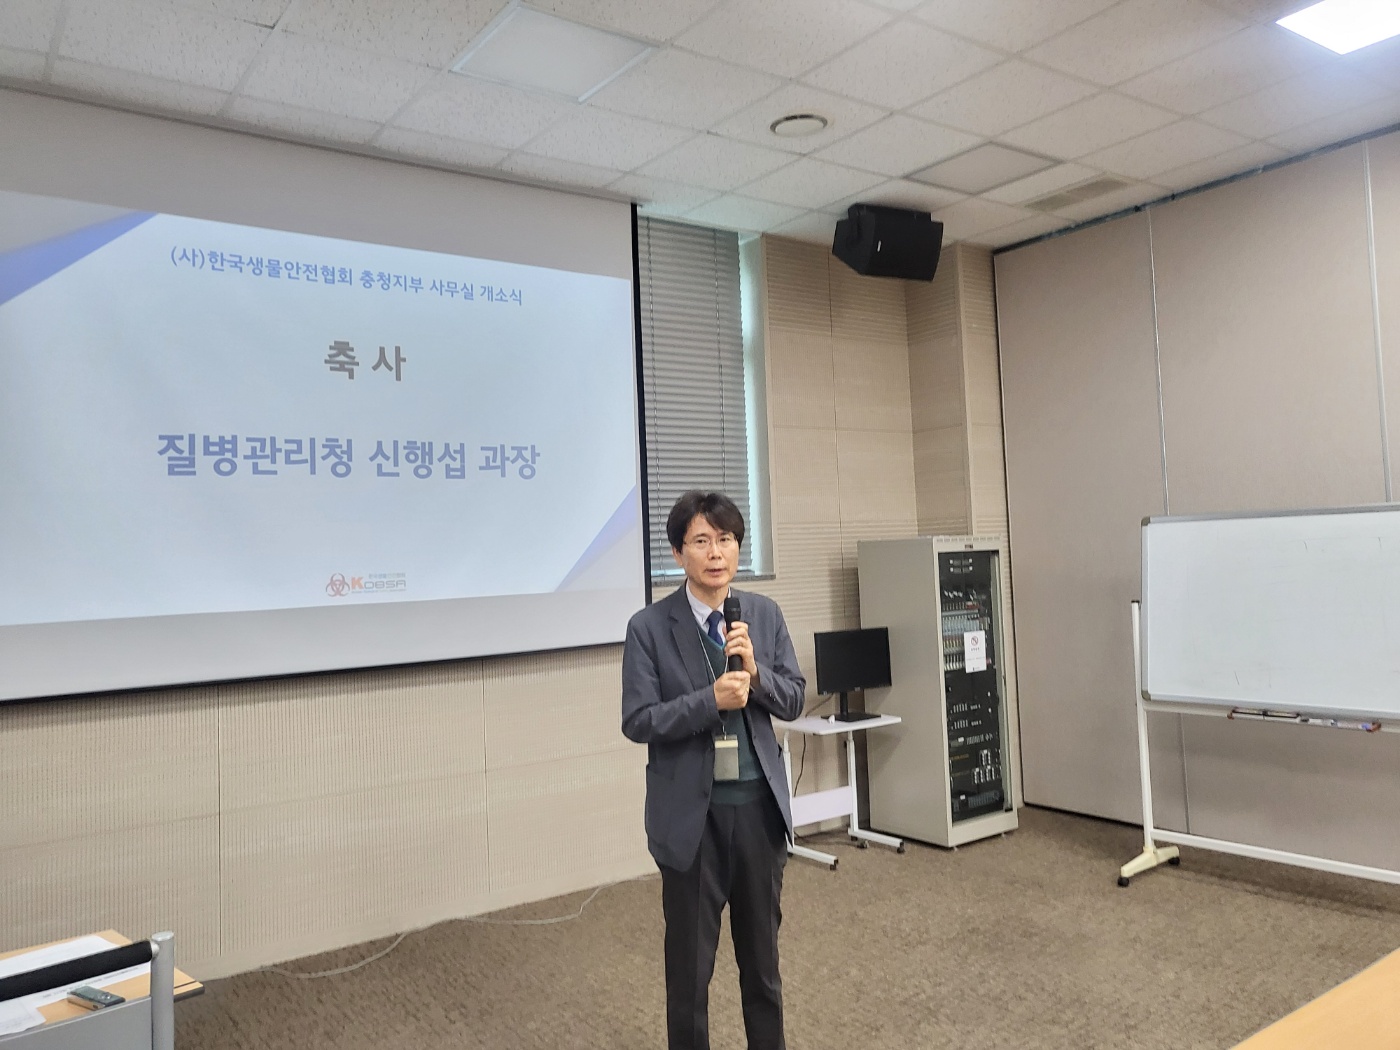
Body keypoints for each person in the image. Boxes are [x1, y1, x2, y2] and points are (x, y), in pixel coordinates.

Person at [621, 490, 806, 1050]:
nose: (715, 553)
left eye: (725, 540)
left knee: (763, 969)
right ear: (679, 553)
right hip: (691, 821)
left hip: (757, 815)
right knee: (689, 975)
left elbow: (794, 698)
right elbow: (638, 719)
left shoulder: (762, 615)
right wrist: (710, 701)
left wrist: (757, 674)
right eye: (701, 541)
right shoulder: (649, 627)